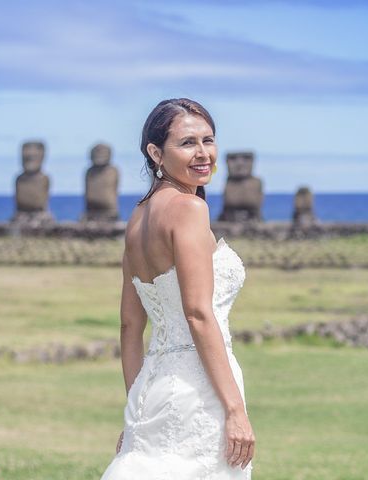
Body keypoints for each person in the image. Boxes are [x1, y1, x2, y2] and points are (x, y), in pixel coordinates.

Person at [100, 98, 255, 479]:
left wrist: (136, 409)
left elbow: (129, 328)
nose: (203, 153)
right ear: (155, 152)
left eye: (209, 140)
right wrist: (235, 409)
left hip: (152, 387)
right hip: (200, 390)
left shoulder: (137, 221)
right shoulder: (189, 210)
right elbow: (199, 314)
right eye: (187, 143)